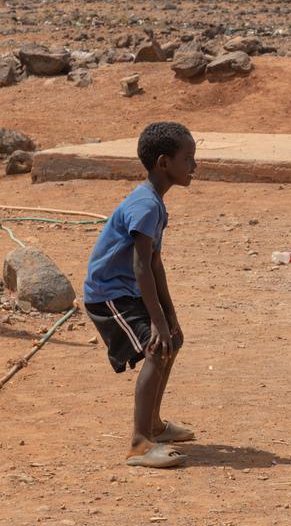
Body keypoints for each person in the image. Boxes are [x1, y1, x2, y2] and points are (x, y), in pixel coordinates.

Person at [83, 122, 198, 468]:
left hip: (128, 289)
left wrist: (170, 318)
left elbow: (155, 265)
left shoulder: (155, 203)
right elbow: (140, 267)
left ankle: (154, 426)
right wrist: (157, 324)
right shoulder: (146, 206)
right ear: (164, 163)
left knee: (169, 342)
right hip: (108, 294)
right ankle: (139, 443)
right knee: (155, 347)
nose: (194, 165)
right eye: (188, 158)